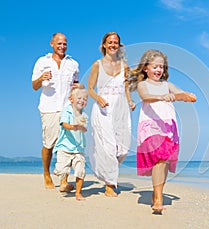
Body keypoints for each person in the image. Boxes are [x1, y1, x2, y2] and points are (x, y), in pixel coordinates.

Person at [128, 49, 196, 214]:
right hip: (151, 126)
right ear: (146, 68)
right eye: (155, 66)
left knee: (165, 161)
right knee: (159, 159)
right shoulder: (143, 84)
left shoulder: (167, 85)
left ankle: (157, 193)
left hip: (168, 126)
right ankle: (158, 198)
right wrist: (162, 97)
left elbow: (179, 93)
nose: (159, 70)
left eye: (162, 67)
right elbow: (145, 97)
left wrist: (187, 96)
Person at [88, 32, 136, 197]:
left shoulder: (125, 66)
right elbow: (89, 89)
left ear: (119, 45)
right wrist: (98, 98)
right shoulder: (97, 64)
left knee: (123, 148)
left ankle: (106, 172)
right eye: (110, 42)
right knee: (108, 147)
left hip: (121, 109)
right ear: (104, 45)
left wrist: (130, 101)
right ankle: (109, 184)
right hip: (103, 109)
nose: (113, 45)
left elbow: (126, 87)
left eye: (116, 42)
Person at [32, 32, 81, 190]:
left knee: (66, 144)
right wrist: (41, 78)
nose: (62, 46)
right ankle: (46, 173)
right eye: (59, 43)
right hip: (49, 108)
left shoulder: (73, 64)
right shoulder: (42, 61)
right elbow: (34, 86)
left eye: (64, 43)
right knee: (49, 144)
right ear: (52, 44)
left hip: (68, 108)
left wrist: (77, 90)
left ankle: (64, 180)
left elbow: (75, 84)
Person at [53, 88, 88, 201]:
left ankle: (78, 193)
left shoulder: (84, 115)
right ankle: (59, 172)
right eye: (79, 98)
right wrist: (74, 126)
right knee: (62, 170)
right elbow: (64, 125)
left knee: (80, 170)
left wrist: (81, 126)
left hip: (78, 148)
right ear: (71, 99)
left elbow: (84, 128)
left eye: (85, 99)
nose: (82, 100)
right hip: (64, 147)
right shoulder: (66, 111)